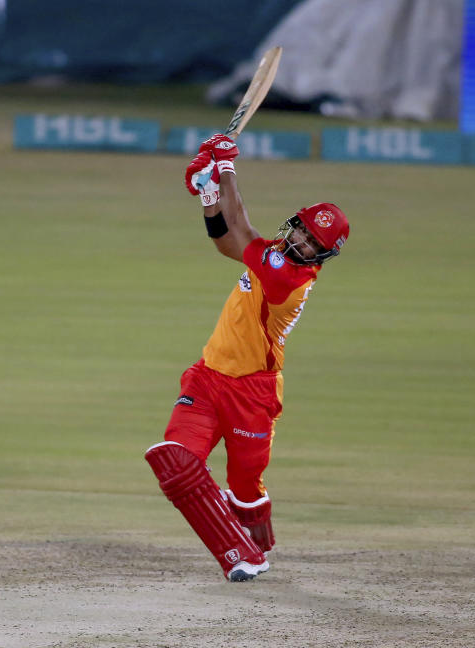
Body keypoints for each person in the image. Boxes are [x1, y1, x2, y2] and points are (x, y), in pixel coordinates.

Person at [144, 134, 350, 582]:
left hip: (252, 393)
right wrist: (210, 190)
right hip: (206, 378)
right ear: (293, 223)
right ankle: (240, 555)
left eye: (313, 242)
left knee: (244, 487)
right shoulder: (275, 254)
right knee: (175, 460)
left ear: (323, 255)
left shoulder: (290, 280)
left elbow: (241, 231)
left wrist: (226, 168)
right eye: (301, 230)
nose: (301, 241)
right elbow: (223, 240)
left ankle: (255, 547)